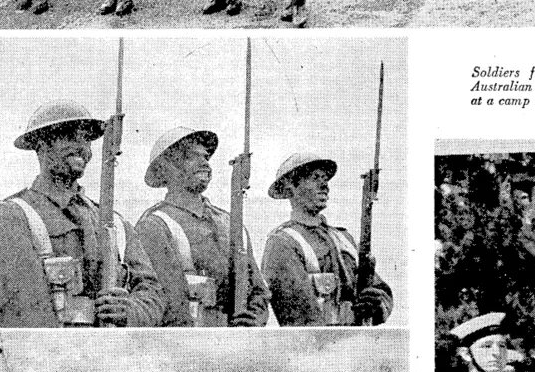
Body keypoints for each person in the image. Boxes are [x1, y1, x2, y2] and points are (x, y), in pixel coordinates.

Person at [0, 102, 163, 330]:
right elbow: (22, 313)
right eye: (69, 137)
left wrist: (131, 311)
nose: (81, 147)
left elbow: (152, 291)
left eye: (86, 139)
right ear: (42, 145)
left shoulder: (113, 222)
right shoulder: (14, 216)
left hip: (114, 353)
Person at [135, 127, 269, 328]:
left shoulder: (230, 223)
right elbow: (165, 303)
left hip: (233, 341)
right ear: (165, 169)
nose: (204, 163)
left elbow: (259, 291)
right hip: (184, 344)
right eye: (190, 157)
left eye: (206, 157)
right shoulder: (155, 225)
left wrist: (253, 319)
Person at [262, 153, 393, 327]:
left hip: (359, 341)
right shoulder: (283, 242)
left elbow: (381, 290)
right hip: (317, 346)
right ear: (290, 188)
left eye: (325, 179)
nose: (324, 185)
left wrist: (375, 304)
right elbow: (298, 316)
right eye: (315, 178)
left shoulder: (343, 238)